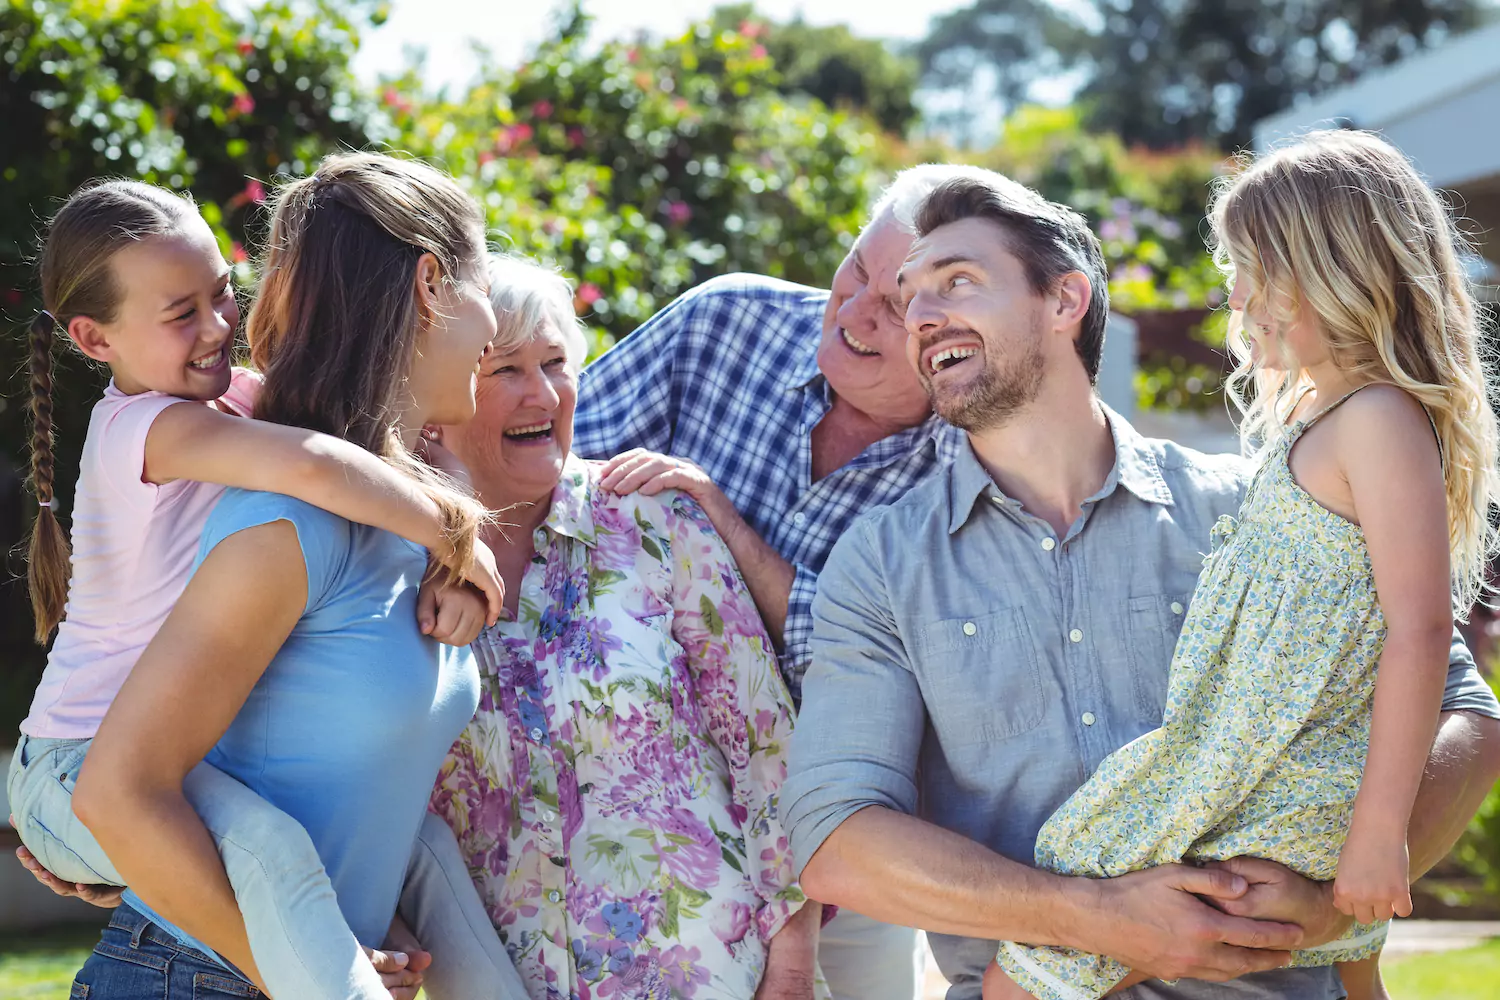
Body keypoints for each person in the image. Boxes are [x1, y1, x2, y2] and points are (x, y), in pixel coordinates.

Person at [783, 166, 1500, 1000]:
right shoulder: (880, 564)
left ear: (1065, 302)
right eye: (913, 297)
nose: (920, 316)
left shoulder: (1259, 509)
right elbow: (835, 838)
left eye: (959, 282)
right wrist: (1090, 918)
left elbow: (1462, 706)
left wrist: (1339, 895)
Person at [984, 130, 1500, 1000]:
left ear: (1336, 271)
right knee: (1344, 968)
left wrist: (1379, 834)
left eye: (1254, 265)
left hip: (1278, 781)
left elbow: (1420, 631)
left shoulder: (1375, 419)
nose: (1234, 289)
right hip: (1253, 767)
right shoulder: (1322, 422)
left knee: (1027, 975)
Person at [7, 175, 508, 999]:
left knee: (423, 855)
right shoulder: (147, 428)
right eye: (181, 314)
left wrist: (452, 559)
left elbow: (365, 436)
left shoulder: (231, 407)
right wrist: (451, 529)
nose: (217, 329)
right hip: (74, 763)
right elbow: (313, 460)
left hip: (130, 774)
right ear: (95, 341)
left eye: (222, 295)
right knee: (272, 853)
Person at [573, 166, 1005, 1000]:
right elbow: (548, 486)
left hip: (849, 833)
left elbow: (890, 670)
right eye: (854, 272)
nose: (851, 314)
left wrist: (717, 528)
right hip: (638, 794)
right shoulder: (725, 321)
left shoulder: (973, 459)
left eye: (895, 304)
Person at [424, 254, 824, 1000]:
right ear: (438, 395)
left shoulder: (653, 523)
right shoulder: (391, 563)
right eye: (506, 368)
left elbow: (771, 750)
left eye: (555, 363)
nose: (542, 393)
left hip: (717, 976)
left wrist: (794, 967)